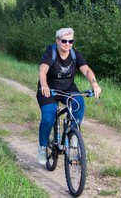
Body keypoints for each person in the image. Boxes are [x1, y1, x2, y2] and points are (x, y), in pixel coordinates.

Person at [36, 27, 101, 165]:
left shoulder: (75, 54)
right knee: (48, 117)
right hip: (49, 90)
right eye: (64, 41)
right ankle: (42, 147)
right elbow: (42, 70)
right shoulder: (51, 54)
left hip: (68, 89)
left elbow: (87, 70)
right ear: (57, 41)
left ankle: (73, 134)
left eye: (70, 41)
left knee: (79, 105)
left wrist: (94, 84)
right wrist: (44, 85)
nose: (67, 44)